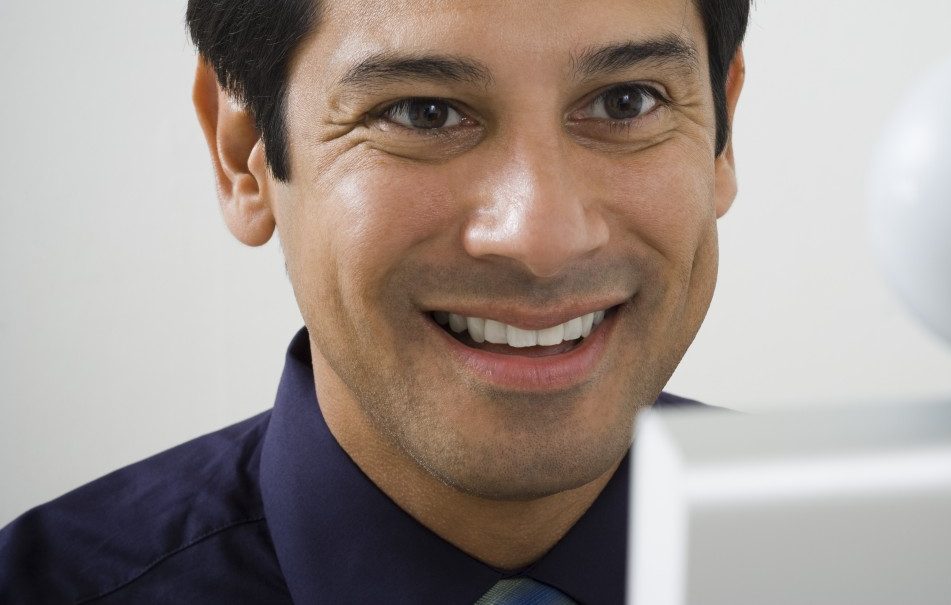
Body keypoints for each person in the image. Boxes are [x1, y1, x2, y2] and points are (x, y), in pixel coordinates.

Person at [0, 0, 749, 603]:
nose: (542, 238)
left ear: (722, 136)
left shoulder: (858, 567)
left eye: (627, 101)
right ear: (243, 156)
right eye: (422, 111)